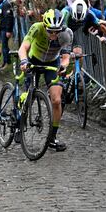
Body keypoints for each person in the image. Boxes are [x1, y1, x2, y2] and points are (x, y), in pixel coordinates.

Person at [18, 9, 73, 152]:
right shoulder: (37, 28)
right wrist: (24, 61)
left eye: (57, 32)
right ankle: (19, 123)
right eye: (50, 32)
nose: (54, 35)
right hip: (33, 60)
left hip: (52, 63)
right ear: (44, 25)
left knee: (56, 100)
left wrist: (63, 66)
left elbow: (66, 57)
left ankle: (52, 138)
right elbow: (23, 47)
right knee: (27, 98)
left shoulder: (67, 34)